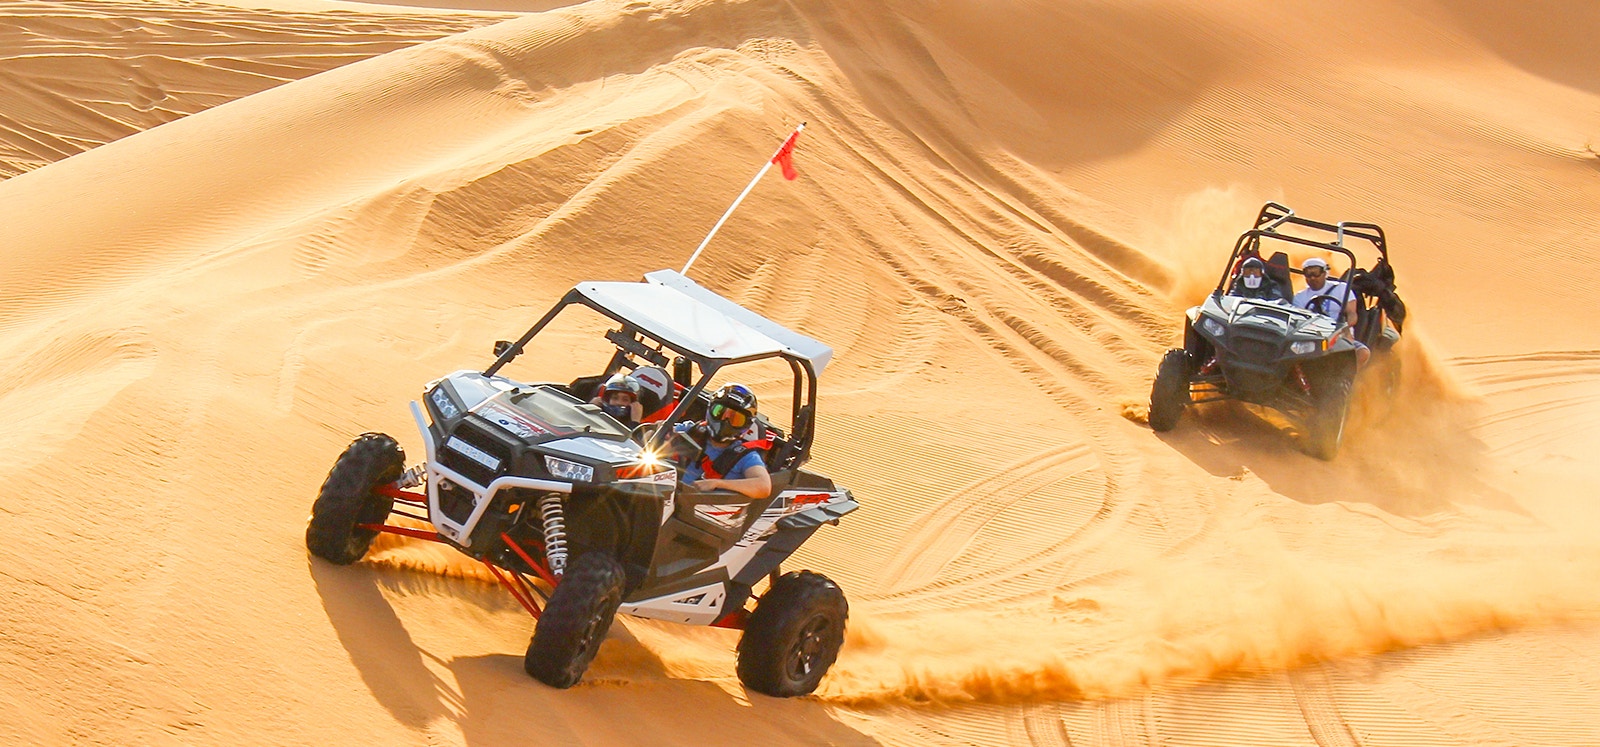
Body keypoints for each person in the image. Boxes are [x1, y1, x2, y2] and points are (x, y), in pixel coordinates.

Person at [674, 384, 772, 499]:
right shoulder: (692, 430)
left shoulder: (746, 456)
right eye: (719, 412)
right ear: (710, 410)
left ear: (746, 424)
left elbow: (764, 486)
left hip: (699, 508)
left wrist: (716, 483)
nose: (725, 421)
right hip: (668, 493)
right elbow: (658, 431)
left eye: (735, 419)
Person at [1293, 257, 1369, 367]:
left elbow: (1352, 314)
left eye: (1316, 273)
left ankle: (1349, 378)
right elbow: (1298, 320)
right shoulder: (1300, 297)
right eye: (1308, 274)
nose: (1312, 278)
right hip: (1313, 338)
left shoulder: (1342, 289)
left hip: (1340, 336)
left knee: (1362, 352)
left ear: (1325, 273)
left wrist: (1344, 328)